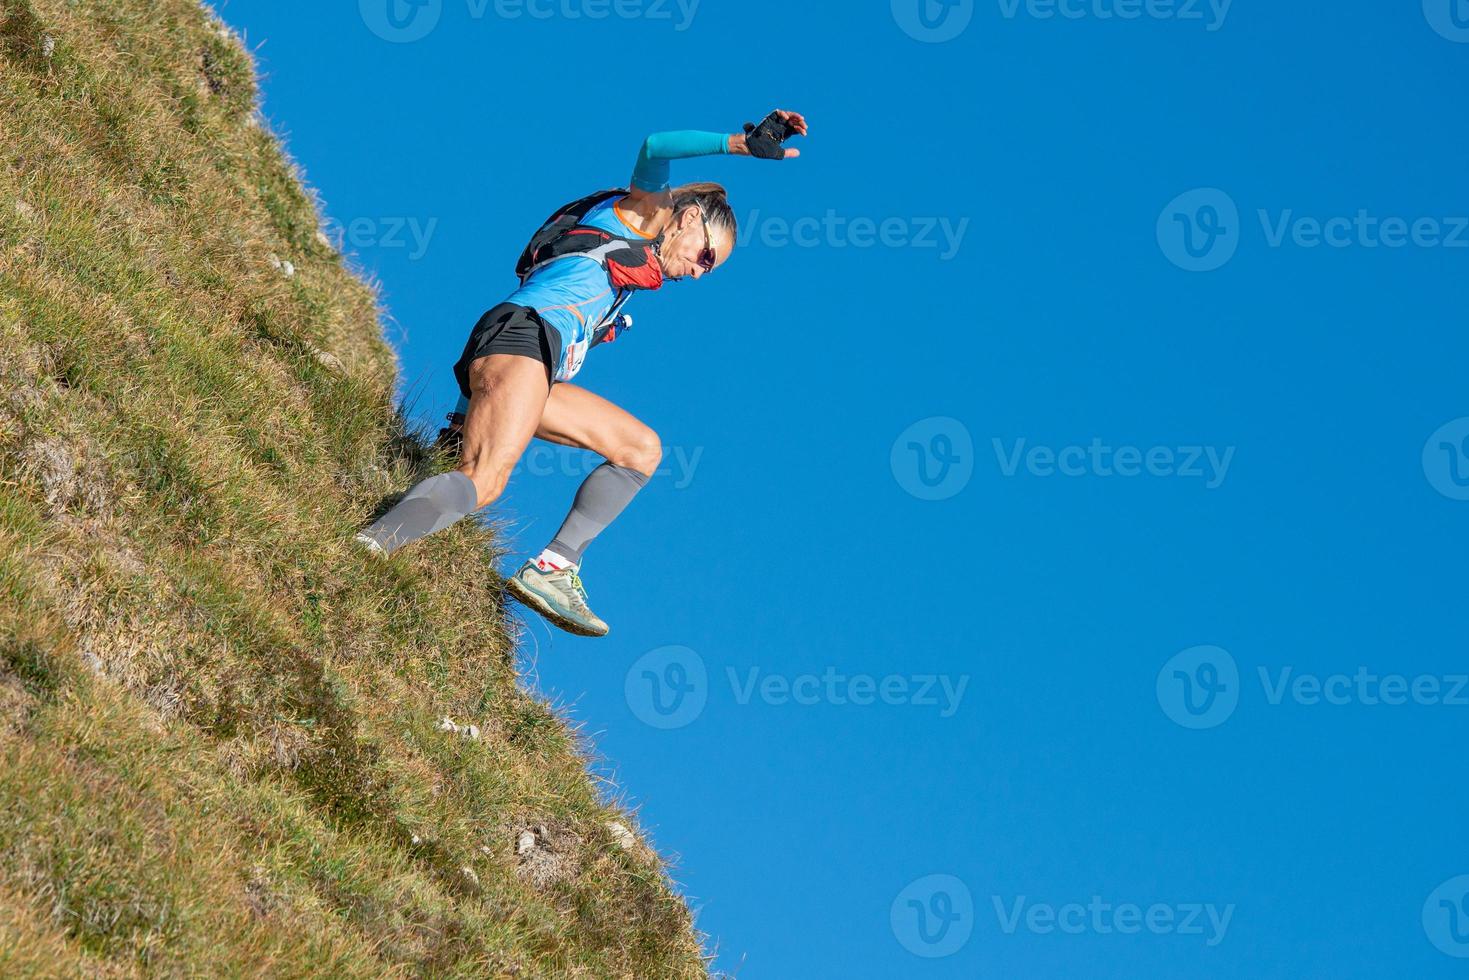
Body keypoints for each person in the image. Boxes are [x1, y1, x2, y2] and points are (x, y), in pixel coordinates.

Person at [356, 110, 809, 637]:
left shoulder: (625, 280)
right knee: (486, 479)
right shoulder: (645, 214)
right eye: (707, 256)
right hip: (521, 337)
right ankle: (365, 549)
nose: (700, 271)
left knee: (641, 449)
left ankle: (553, 568)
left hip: (532, 362)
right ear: (688, 220)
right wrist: (739, 144)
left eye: (711, 269)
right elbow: (655, 144)